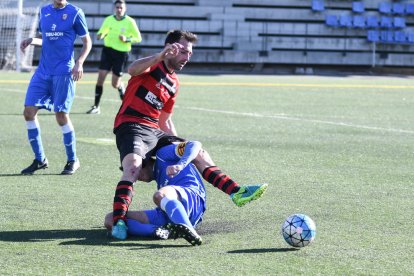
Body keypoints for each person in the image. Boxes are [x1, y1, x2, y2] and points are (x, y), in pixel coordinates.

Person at [111, 29, 267, 240]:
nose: (186, 58)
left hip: (155, 131)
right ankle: (119, 220)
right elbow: (132, 68)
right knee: (133, 167)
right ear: (171, 48)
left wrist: (180, 146)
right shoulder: (152, 65)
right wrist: (160, 55)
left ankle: (236, 191)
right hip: (132, 125)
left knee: (197, 151)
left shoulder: (174, 84)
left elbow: (165, 120)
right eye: (183, 51)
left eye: (189, 54)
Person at [20, 0, 92, 175]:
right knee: (28, 112)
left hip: (64, 72)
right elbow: (48, 37)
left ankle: (73, 160)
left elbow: (87, 42)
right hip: (43, 71)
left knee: (60, 115)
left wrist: (79, 63)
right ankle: (40, 159)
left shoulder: (75, 12)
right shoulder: (44, 11)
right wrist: (32, 40)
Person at [105, 140, 206, 246]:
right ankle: (162, 232)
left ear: (143, 160)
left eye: (134, 169)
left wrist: (180, 165)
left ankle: (190, 231)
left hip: (193, 197)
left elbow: (194, 144)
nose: (136, 178)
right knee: (112, 219)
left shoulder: (162, 155)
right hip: (169, 213)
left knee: (159, 195)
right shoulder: (159, 176)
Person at [86, 0, 142, 115]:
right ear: (114, 8)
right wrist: (100, 35)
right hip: (107, 51)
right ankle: (96, 106)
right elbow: (101, 33)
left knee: (115, 84)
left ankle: (122, 90)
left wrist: (126, 39)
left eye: (121, 7)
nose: (119, 9)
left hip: (121, 54)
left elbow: (138, 38)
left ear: (125, 8)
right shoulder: (108, 20)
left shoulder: (130, 22)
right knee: (100, 77)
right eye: (117, 7)